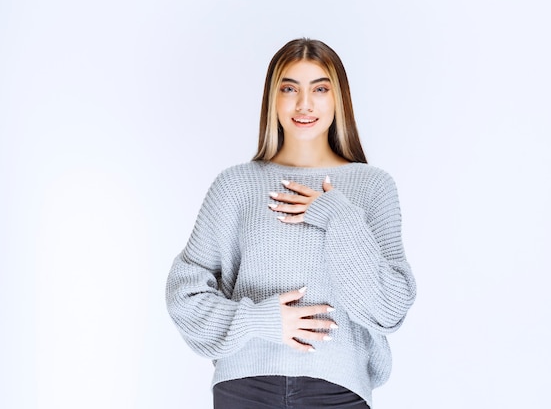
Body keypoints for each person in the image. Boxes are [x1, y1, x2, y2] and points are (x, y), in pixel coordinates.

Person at [166, 38, 416, 409]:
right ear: (273, 99)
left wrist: (338, 216)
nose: (304, 104)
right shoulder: (235, 186)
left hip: (339, 391)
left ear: (339, 99)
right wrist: (260, 321)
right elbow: (184, 295)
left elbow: (389, 309)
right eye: (289, 88)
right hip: (245, 388)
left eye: (320, 88)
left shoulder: (372, 187)